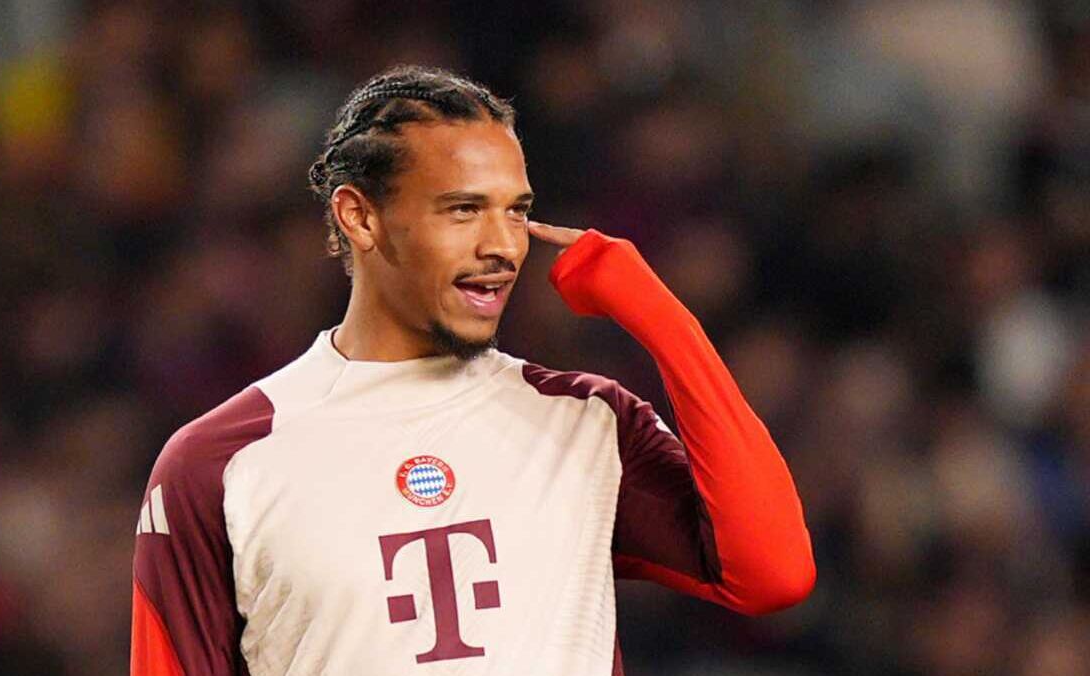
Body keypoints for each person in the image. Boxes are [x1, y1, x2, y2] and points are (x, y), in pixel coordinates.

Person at [130, 65, 815, 676]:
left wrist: (665, 321)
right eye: (463, 210)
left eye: (516, 212)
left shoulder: (585, 422)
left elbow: (772, 575)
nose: (502, 247)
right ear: (359, 217)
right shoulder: (220, 465)